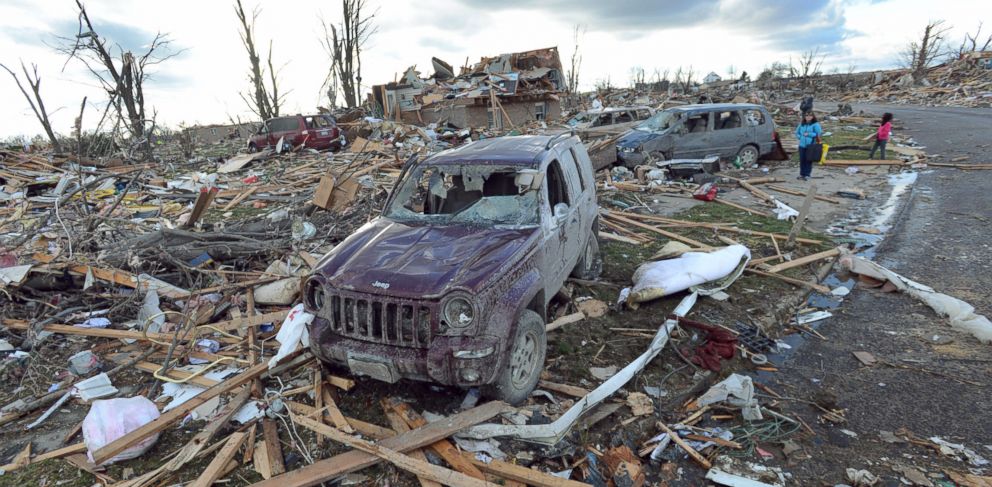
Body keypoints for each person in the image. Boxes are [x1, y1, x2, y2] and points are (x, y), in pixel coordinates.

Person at [794, 111, 823, 181]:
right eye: (807, 115)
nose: (808, 117)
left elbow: (818, 134)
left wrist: (809, 134)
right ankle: (802, 174)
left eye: (810, 115)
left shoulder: (815, 124)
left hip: (810, 145)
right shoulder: (802, 124)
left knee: (808, 160)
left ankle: (807, 174)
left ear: (813, 117)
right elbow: (796, 132)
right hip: (802, 145)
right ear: (804, 116)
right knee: (802, 160)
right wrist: (800, 137)